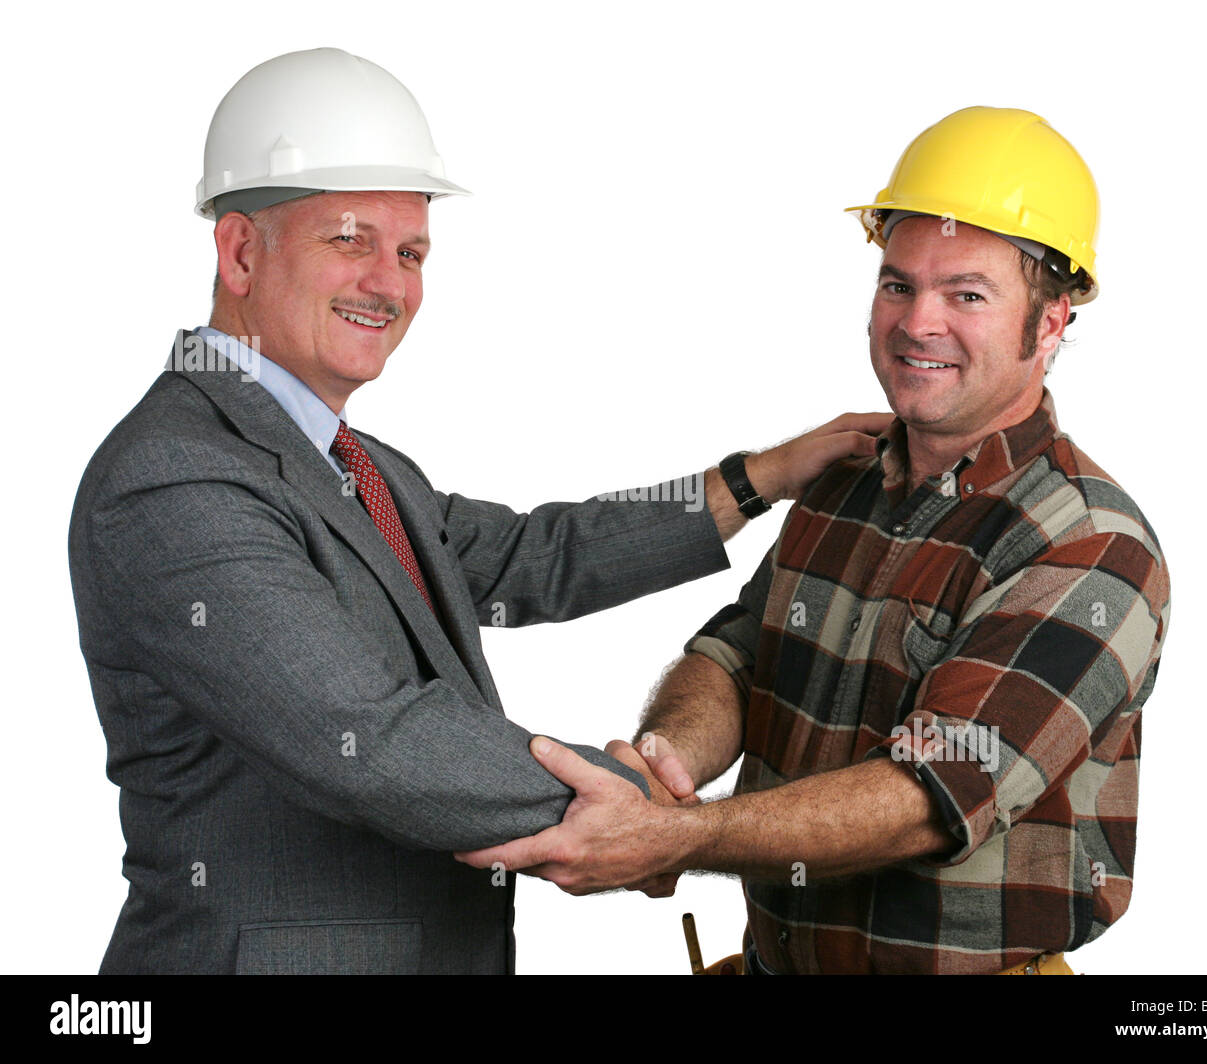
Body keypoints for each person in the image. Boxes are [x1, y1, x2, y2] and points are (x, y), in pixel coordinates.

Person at [66, 47, 885, 975]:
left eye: (410, 251)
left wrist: (757, 476)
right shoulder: (176, 477)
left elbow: (531, 554)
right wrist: (647, 816)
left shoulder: (362, 467)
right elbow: (374, 740)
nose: (390, 283)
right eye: (351, 239)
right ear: (242, 249)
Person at [457, 107, 1172, 976]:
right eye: (898, 284)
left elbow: (929, 796)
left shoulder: (1090, 546)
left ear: (1052, 319)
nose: (918, 323)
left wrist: (673, 838)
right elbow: (738, 658)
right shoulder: (844, 484)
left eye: (968, 295)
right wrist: (666, 763)